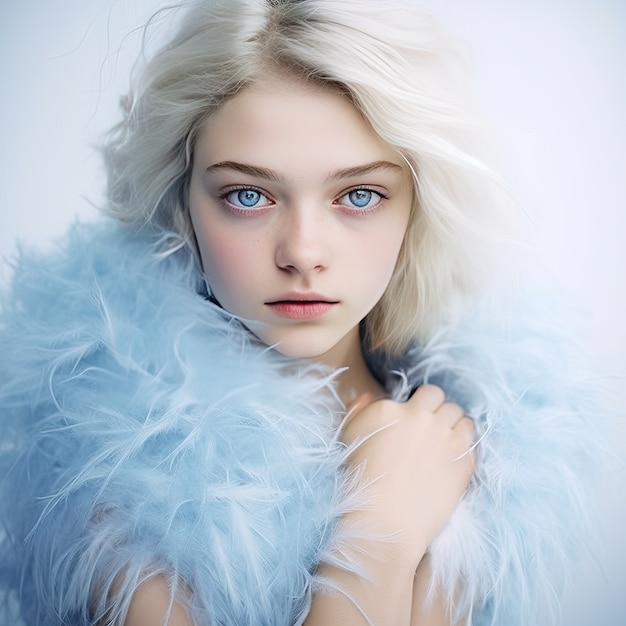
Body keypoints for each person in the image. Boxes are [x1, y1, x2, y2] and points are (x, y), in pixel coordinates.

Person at [0, 1, 608, 625]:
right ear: (182, 202)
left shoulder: (491, 461)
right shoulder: (115, 466)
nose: (303, 253)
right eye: (248, 195)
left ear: (417, 206)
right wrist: (377, 540)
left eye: (360, 195)